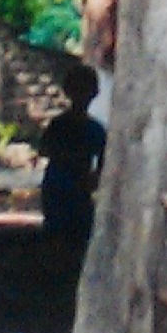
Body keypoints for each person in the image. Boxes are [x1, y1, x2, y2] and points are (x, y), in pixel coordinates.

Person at [37, 61, 107, 248]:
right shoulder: (95, 129)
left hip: (57, 186)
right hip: (76, 189)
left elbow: (44, 150)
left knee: (56, 239)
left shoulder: (58, 124)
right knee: (77, 240)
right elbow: (103, 165)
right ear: (95, 93)